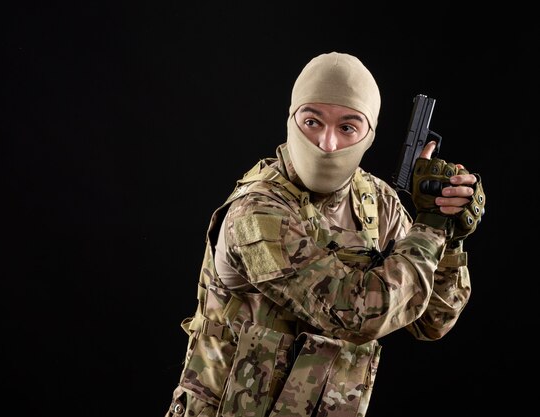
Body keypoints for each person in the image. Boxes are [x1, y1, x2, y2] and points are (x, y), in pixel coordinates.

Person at [164, 51, 486, 417]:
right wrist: (429, 230)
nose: (327, 144)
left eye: (347, 127)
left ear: (369, 136)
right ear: (291, 119)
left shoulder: (376, 201)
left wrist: (448, 228)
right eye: (312, 121)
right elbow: (357, 316)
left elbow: (433, 321)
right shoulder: (257, 212)